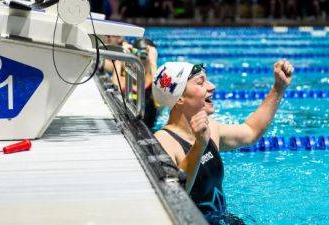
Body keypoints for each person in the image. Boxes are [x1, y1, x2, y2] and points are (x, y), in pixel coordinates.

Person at [152, 59, 293, 224]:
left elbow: (250, 132)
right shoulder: (164, 141)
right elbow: (171, 199)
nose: (212, 86)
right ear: (180, 98)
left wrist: (278, 88)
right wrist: (199, 146)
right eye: (201, 82)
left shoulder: (211, 128)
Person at [104, 37, 159, 129]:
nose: (139, 62)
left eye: (144, 57)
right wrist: (121, 57)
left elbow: (159, 99)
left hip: (148, 130)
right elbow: (114, 91)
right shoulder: (123, 79)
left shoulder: (154, 81)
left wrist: (153, 62)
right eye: (136, 57)